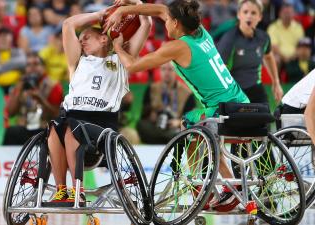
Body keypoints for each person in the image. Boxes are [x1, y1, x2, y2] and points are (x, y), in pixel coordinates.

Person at [104, 0, 249, 208]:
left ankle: (213, 187)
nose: (165, 23)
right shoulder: (200, 33)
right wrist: (128, 8)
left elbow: (133, 65)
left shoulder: (177, 47)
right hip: (243, 104)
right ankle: (212, 186)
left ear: (175, 23)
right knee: (195, 130)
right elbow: (162, 10)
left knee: (188, 124)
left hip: (222, 113)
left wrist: (118, 46)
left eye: (167, 21)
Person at [47, 1, 151, 206]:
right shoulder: (77, 62)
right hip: (71, 116)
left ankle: (79, 191)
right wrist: (101, 14)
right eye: (80, 39)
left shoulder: (120, 59)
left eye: (86, 37)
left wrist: (137, 4)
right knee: (54, 128)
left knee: (70, 128)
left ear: (103, 39)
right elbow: (68, 24)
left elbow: (146, 23)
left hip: (101, 128)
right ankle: (61, 190)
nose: (81, 42)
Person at [217, 0, 283, 104]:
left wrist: (276, 82)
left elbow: (269, 57)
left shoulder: (263, 38)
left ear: (260, 17)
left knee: (266, 118)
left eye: (253, 13)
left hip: (255, 88)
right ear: (239, 15)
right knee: (242, 119)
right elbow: (220, 69)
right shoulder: (229, 39)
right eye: (245, 12)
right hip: (234, 91)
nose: (249, 16)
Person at [3, 52, 63, 145]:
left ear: (43, 67)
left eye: (36, 64)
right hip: (24, 127)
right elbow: (10, 112)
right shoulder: (21, 85)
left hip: (44, 128)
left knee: (50, 133)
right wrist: (18, 90)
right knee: (11, 132)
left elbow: (57, 114)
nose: (32, 68)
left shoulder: (54, 86)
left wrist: (41, 99)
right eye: (28, 65)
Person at [137, 62, 195, 144]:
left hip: (175, 128)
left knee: (181, 132)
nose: (166, 73)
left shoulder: (187, 93)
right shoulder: (152, 89)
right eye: (163, 69)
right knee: (141, 125)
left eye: (170, 69)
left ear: (176, 72)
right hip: (156, 126)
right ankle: (170, 139)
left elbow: (191, 119)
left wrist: (178, 122)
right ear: (160, 71)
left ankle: (172, 138)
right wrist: (151, 115)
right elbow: (144, 114)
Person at [0, 27, 27, 94]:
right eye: (0, 37)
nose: (3, 39)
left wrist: (0, 65)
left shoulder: (18, 51)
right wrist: (13, 65)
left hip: (16, 86)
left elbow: (22, 63)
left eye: (5, 36)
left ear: (11, 38)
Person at [267, 1, 304, 66]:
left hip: (295, 56)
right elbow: (273, 46)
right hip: (280, 57)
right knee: (275, 59)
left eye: (290, 13)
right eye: (285, 13)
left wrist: (293, 56)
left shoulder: (298, 27)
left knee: (304, 54)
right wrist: (284, 57)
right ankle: (275, 76)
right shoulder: (273, 27)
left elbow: (301, 45)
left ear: (294, 14)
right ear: (280, 13)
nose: (287, 15)